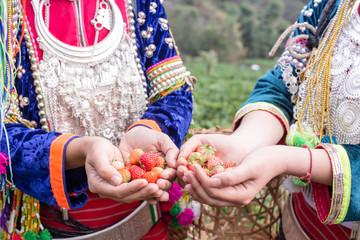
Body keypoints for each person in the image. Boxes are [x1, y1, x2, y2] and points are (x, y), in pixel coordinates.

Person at [0, 0, 194, 239]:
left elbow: (174, 91)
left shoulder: (139, 3)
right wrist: (80, 150)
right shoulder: (7, 12)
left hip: (149, 221)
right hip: (50, 227)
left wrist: (149, 128)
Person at [177, 0, 360, 239]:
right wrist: (243, 143)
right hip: (300, 225)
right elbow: (285, 83)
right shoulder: (332, 4)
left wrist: (287, 160)